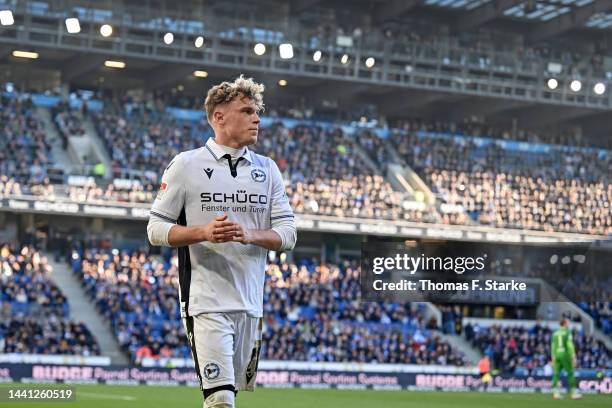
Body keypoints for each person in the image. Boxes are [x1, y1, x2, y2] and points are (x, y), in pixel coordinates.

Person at [147, 75, 297, 408]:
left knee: (226, 397)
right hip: (205, 302)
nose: (256, 118)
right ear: (219, 117)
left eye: (256, 111)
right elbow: (155, 229)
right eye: (246, 111)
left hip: (250, 305)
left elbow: (288, 234)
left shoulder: (268, 170)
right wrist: (201, 232)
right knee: (221, 400)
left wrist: (249, 234)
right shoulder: (186, 165)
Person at [551, 319, 582, 400]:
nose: (569, 324)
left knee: (556, 374)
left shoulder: (555, 333)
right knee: (570, 373)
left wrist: (553, 356)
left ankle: (555, 393)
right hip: (565, 355)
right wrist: (573, 356)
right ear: (564, 324)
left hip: (557, 355)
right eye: (568, 323)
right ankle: (573, 393)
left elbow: (553, 345)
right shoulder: (567, 332)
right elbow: (569, 344)